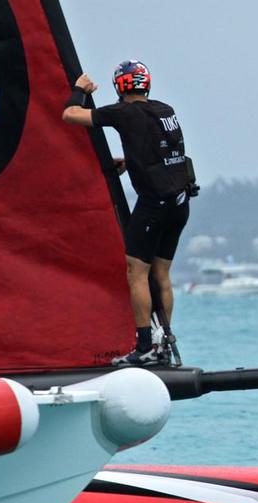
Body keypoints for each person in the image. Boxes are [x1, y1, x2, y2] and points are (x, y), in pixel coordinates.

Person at [62, 60, 196, 366]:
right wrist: (130, 162)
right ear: (146, 84)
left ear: (120, 87)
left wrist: (79, 90)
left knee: (137, 271)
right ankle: (164, 342)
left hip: (154, 207)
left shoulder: (121, 112)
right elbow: (159, 150)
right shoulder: (166, 110)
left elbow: (70, 115)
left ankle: (145, 346)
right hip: (180, 203)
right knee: (161, 274)